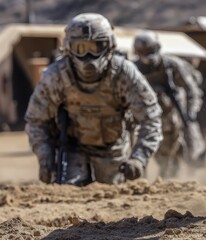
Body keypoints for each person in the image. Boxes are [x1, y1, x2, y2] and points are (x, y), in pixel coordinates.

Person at [25, 13, 163, 185]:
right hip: (72, 149)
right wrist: (45, 157)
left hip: (113, 150)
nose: (89, 57)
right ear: (69, 48)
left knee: (113, 198)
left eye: (97, 46)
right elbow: (36, 120)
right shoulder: (56, 76)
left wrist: (138, 159)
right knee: (69, 194)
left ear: (110, 45)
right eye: (81, 48)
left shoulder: (124, 73)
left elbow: (151, 118)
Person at [132, 30, 206, 178]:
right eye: (143, 51)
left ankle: (189, 176)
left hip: (177, 111)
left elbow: (192, 90)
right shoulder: (134, 68)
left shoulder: (172, 64)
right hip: (148, 113)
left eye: (150, 50)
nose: (148, 54)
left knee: (191, 146)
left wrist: (191, 111)